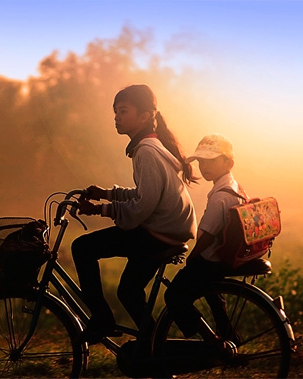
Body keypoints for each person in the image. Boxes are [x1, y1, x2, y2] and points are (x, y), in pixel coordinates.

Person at [72, 84, 197, 344]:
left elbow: (142, 207)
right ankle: (153, 347)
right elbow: (146, 194)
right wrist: (107, 193)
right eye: (115, 111)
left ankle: (102, 319)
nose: (117, 117)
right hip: (167, 230)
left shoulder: (147, 152)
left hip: (158, 232)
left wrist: (100, 209)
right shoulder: (150, 146)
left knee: (82, 247)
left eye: (123, 111)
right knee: (128, 291)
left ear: (143, 117)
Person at [164, 133, 246, 351]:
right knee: (213, 298)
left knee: (173, 295)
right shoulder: (233, 186)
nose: (204, 166)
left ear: (228, 163)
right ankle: (229, 336)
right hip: (223, 255)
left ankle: (210, 341)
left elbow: (207, 233)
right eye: (201, 161)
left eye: (211, 161)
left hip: (211, 259)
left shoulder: (220, 196)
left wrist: (193, 256)